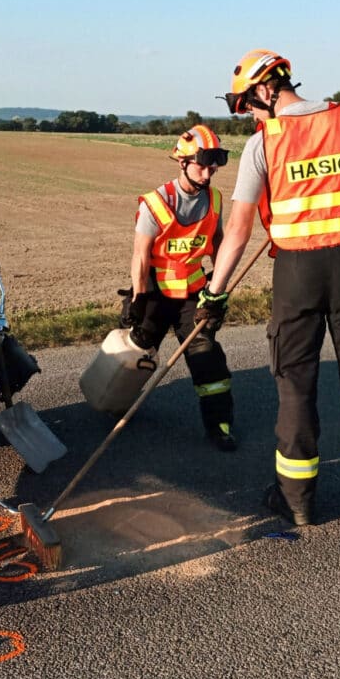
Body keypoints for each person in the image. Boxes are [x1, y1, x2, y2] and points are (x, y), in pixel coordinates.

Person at [196, 49, 340, 522]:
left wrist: (214, 292)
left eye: (245, 103)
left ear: (265, 89)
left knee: (295, 384)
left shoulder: (265, 143)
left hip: (296, 273)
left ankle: (296, 503)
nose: (247, 113)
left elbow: (237, 232)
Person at [122, 124, 237, 451]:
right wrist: (138, 297)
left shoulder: (214, 200)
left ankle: (219, 426)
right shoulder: (155, 203)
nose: (208, 172)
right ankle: (115, 404)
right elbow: (141, 255)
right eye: (202, 164)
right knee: (135, 355)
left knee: (208, 359)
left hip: (194, 295)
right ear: (182, 162)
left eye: (213, 165)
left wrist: (218, 292)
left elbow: (219, 246)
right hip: (155, 295)